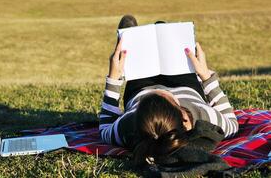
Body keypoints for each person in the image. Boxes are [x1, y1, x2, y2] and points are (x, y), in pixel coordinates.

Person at [98, 15, 239, 165]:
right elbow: (233, 124)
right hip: (185, 85)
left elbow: (105, 127)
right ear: (184, 116)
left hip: (141, 87)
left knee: (150, 40)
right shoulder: (205, 118)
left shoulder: (130, 126)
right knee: (163, 30)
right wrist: (206, 77)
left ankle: (130, 38)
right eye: (169, 97)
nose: (165, 91)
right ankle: (156, 33)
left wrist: (113, 78)